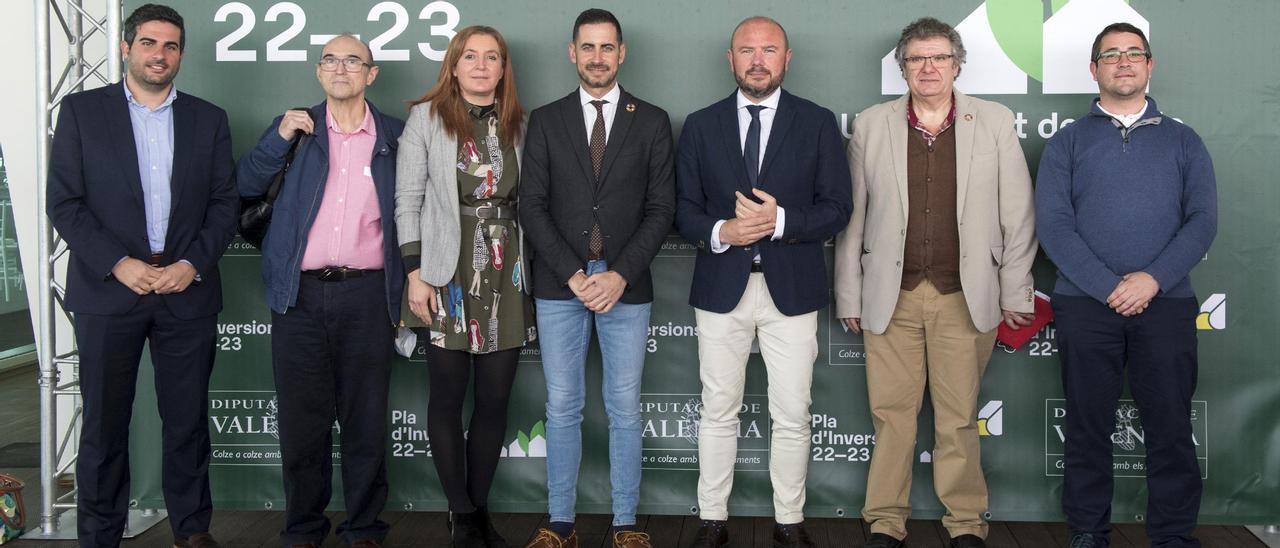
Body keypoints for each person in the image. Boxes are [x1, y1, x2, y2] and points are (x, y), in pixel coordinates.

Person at [832, 17, 1037, 548]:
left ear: (957, 64)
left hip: (965, 296)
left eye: (939, 58)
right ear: (902, 68)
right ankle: (884, 519)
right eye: (917, 59)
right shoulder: (873, 126)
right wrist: (848, 292)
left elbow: (1017, 214)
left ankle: (966, 523)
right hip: (889, 296)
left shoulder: (992, 121)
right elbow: (853, 219)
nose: (928, 68)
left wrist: (1016, 290)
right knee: (892, 417)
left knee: (958, 419)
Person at [45, 4, 237, 547]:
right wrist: (119, 262)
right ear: (127, 48)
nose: (160, 54)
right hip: (109, 291)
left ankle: (192, 529)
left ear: (181, 54)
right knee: (105, 425)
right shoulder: (82, 112)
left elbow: (224, 205)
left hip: (186, 291)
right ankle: (99, 535)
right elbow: (64, 203)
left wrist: (190, 265)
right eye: (149, 43)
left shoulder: (209, 118)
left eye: (172, 46)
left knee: (188, 422)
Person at [1035, 22, 1216, 548]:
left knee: (1171, 429)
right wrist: (1109, 287)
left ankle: (1174, 536)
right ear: (1094, 69)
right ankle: (1089, 530)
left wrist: (1152, 280)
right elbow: (1054, 225)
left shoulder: (1185, 140)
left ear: (1149, 64)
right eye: (1110, 54)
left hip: (1167, 304)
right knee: (1088, 427)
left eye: (1134, 53)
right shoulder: (1067, 142)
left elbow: (1202, 220)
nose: (1123, 61)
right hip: (1085, 305)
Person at [674, 16, 852, 548]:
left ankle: (789, 520)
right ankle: (711, 519)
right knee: (718, 408)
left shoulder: (817, 123)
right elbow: (681, 210)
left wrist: (778, 222)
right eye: (746, 50)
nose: (757, 59)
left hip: (791, 289)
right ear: (730, 59)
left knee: (793, 412)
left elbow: (838, 208)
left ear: (787, 58)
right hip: (721, 288)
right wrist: (722, 230)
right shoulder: (701, 125)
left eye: (768, 49)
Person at [236, 34, 404, 548]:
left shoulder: (395, 136)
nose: (340, 68)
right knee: (302, 423)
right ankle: (303, 528)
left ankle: (364, 527)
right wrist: (278, 137)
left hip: (369, 295)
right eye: (330, 59)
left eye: (352, 60)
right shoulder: (294, 129)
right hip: (299, 296)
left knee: (366, 419)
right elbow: (243, 184)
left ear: (370, 74)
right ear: (318, 71)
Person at [518, 8, 675, 548]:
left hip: (625, 288)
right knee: (562, 405)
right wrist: (574, 273)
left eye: (607, 47)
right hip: (561, 284)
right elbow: (531, 206)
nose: (597, 58)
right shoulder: (545, 118)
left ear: (622, 52)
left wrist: (619, 276)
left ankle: (625, 524)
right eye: (588, 47)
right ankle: (560, 522)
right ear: (572, 53)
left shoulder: (651, 120)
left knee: (624, 406)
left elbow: (661, 209)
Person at [394, 25, 532, 548]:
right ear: (453, 66)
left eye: (490, 57)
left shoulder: (520, 121)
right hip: (443, 272)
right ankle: (460, 513)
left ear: (502, 68)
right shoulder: (426, 118)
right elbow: (407, 200)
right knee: (448, 397)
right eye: (469, 57)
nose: (479, 65)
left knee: (494, 401)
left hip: (507, 270)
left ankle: (478, 511)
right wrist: (416, 275)